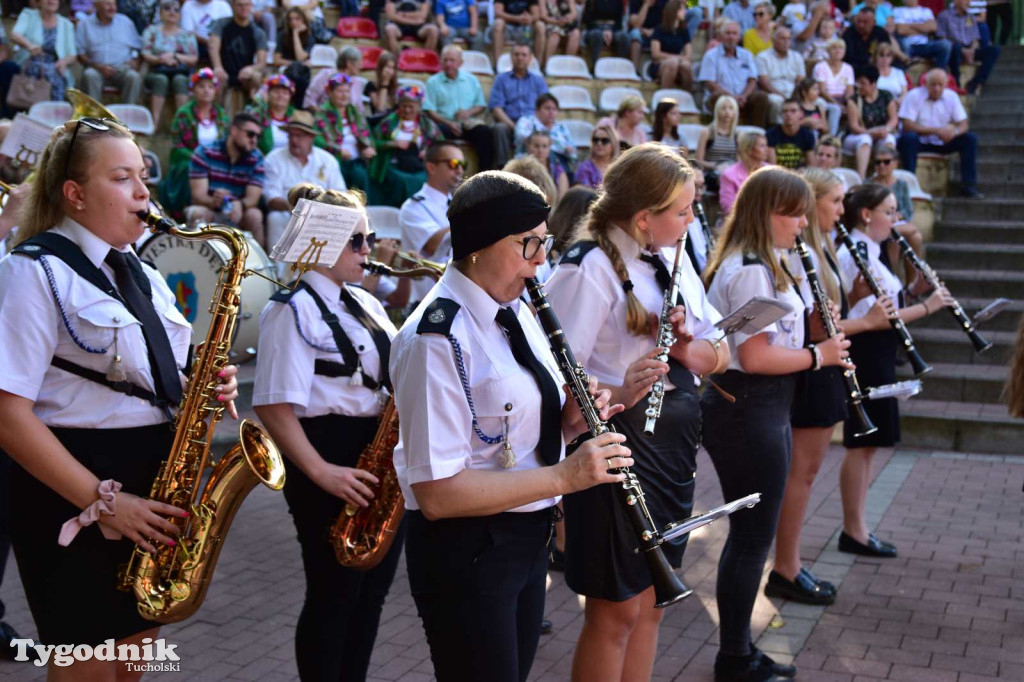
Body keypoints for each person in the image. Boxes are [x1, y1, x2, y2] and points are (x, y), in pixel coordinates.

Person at [0, 117, 238, 678]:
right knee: (87, 667)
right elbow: (8, 415)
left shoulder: (142, 271)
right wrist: (105, 501)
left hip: (149, 486)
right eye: (122, 177)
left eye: (144, 178)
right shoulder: (31, 272)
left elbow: (160, 370)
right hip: (74, 492)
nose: (142, 193)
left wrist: (205, 379)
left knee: (132, 663)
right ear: (75, 195)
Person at [391, 169, 630, 682]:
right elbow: (436, 492)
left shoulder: (516, 310)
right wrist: (566, 477)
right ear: (479, 245)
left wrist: (568, 422)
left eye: (544, 243)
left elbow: (508, 437)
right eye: (529, 245)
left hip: (523, 538)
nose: (541, 260)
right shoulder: (436, 338)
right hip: (468, 552)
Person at [545, 143, 729, 682]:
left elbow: (721, 348)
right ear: (645, 218)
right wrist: (621, 388)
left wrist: (691, 347)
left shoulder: (674, 256)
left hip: (671, 445)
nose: (693, 219)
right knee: (616, 608)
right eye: (683, 210)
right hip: (617, 445)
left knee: (654, 601)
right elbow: (557, 382)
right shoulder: (589, 268)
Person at [702, 166, 851, 682]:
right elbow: (757, 357)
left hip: (766, 405)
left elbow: (772, 344)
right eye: (793, 211)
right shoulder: (748, 270)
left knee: (753, 535)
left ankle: (740, 650)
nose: (802, 221)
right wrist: (820, 353)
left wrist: (811, 330)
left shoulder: (772, 264)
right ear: (766, 213)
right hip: (748, 406)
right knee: (750, 538)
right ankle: (734, 657)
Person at [253, 184, 402, 682]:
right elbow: (273, 406)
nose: (369, 250)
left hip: (372, 453)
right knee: (333, 592)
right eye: (356, 241)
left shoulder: (365, 302)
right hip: (325, 455)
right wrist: (322, 473)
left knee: (371, 595)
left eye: (370, 238)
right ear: (320, 243)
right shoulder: (289, 309)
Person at [768, 167, 893, 607]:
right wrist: (867, 321)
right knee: (799, 473)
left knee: (806, 472)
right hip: (813, 367)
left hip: (825, 365)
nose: (842, 211)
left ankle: (791, 561)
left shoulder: (820, 248)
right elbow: (812, 326)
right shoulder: (805, 251)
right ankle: (786, 566)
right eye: (835, 201)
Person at [835, 183, 952, 561]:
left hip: (881, 351)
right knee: (861, 444)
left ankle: (859, 526)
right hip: (867, 351)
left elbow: (888, 303)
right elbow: (876, 318)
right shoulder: (853, 251)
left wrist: (916, 290)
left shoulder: (872, 248)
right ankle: (854, 530)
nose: (896, 217)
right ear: (867, 214)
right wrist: (929, 306)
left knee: (869, 448)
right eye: (890, 210)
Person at [264, 111, 346, 248]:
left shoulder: (327, 160)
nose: (294, 140)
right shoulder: (274, 159)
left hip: (322, 215)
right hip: (288, 212)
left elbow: (340, 194)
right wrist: (297, 207)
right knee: (275, 218)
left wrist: (319, 209)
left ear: (311, 137)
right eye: (291, 135)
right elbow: (271, 198)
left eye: (299, 136)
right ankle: (277, 267)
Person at [897, 68, 982, 199]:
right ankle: (909, 183)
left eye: (940, 85)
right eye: (933, 84)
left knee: (970, 139)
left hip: (944, 141)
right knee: (908, 139)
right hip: (920, 141)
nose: (936, 88)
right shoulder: (914, 95)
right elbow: (907, 125)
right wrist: (937, 130)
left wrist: (955, 132)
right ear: (926, 84)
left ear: (946, 85)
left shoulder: (951, 97)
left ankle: (968, 185)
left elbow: (964, 124)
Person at [399, 140, 465, 306]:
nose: (460, 170)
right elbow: (432, 245)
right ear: (431, 167)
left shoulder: (460, 204)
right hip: (428, 302)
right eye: (453, 164)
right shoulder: (413, 207)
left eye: (463, 164)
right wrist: (470, 217)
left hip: (459, 297)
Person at [186, 112, 266, 242]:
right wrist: (214, 201)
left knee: (255, 215)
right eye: (250, 134)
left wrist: (240, 205)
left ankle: (259, 261)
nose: (254, 140)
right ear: (234, 131)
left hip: (239, 212)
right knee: (198, 213)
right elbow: (198, 196)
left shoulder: (256, 158)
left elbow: (253, 198)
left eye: (258, 136)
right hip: (209, 208)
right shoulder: (205, 153)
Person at [162, 67, 230, 218]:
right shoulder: (183, 114)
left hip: (215, 161)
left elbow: (226, 142)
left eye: (210, 87)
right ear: (193, 90)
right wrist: (198, 158)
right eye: (202, 86)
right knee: (189, 167)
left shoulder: (221, 114)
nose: (206, 91)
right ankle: (186, 209)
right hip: (190, 159)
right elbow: (177, 145)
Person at [370, 83, 444, 208]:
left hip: (419, 165)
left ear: (419, 106)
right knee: (402, 181)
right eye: (404, 106)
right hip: (393, 165)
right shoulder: (389, 122)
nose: (407, 110)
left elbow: (441, 145)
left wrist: (428, 151)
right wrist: (392, 143)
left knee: (422, 179)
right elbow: (372, 142)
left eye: (411, 106)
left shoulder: (427, 124)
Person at [424, 45, 497, 171]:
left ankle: (485, 175)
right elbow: (429, 110)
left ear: (460, 63)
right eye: (445, 60)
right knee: (438, 132)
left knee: (485, 133)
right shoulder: (433, 82)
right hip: (444, 123)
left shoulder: (471, 80)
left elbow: (480, 105)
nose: (448, 64)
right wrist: (449, 123)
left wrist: (468, 112)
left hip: (467, 123)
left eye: (452, 60)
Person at [698, 20, 771, 128]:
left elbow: (752, 80)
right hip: (722, 97)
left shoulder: (747, 55)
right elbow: (710, 84)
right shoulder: (711, 56)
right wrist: (731, 97)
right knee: (717, 97)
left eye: (734, 33)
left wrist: (744, 96)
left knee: (761, 97)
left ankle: (756, 133)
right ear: (721, 36)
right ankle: (721, 133)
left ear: (739, 37)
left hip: (743, 98)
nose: (731, 37)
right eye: (727, 33)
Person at [141, 0, 198, 132]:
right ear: (160, 13)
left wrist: (175, 56)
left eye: (176, 10)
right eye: (167, 9)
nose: (172, 12)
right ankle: (154, 124)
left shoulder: (187, 34)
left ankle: (182, 125)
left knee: (180, 80)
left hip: (180, 71)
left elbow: (194, 58)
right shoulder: (152, 31)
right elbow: (145, 53)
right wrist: (161, 60)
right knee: (161, 80)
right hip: (156, 71)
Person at [489, 42, 549, 166]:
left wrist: (531, 126)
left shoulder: (539, 81)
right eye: (516, 54)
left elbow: (545, 106)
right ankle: (503, 168)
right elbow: (496, 108)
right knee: (499, 128)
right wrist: (515, 127)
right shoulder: (501, 79)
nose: (520, 58)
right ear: (511, 57)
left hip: (533, 125)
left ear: (530, 58)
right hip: (509, 123)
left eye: (523, 55)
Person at [315, 72, 376, 192]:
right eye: (339, 91)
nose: (344, 95)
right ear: (330, 93)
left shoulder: (354, 112)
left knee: (360, 175)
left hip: (356, 161)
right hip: (333, 161)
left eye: (347, 91)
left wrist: (368, 147)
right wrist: (338, 151)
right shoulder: (322, 113)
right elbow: (317, 140)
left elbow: (367, 134)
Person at [10, 0, 77, 104]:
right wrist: (30, 45)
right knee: (45, 72)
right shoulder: (28, 15)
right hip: (31, 61)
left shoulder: (66, 24)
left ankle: (53, 112)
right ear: (39, 2)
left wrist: (64, 61)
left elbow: (72, 54)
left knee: (55, 74)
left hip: (56, 65)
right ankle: (45, 110)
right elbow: (15, 35)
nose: (51, 1)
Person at [76, 0, 143, 104]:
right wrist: (97, 66)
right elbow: (80, 54)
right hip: (96, 68)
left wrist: (135, 60)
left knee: (133, 77)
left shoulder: (125, 22)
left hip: (122, 68)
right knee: (90, 75)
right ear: (96, 6)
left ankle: (128, 115)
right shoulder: (85, 24)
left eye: (114, 4)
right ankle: (94, 118)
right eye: (107, 4)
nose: (112, 8)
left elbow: (137, 47)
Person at [869, 144, 925, 258]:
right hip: (876, 224)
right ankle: (893, 274)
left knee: (915, 237)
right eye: (878, 162)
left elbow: (908, 211)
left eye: (886, 162)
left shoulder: (901, 185)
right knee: (898, 236)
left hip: (897, 223)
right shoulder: (868, 185)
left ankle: (914, 276)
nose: (882, 165)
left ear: (895, 163)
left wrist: (898, 216)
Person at [843, 64, 897, 179]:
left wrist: (886, 130)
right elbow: (854, 126)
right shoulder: (853, 100)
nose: (859, 86)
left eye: (863, 83)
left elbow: (893, 119)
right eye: (858, 82)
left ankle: (885, 176)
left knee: (889, 139)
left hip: (880, 132)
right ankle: (861, 178)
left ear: (873, 84)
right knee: (865, 140)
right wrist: (870, 133)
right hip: (857, 135)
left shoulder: (886, 96)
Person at [938, 0, 1001, 94]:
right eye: (966, 0)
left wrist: (972, 50)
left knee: (994, 50)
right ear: (956, 2)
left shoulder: (970, 17)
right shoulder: (944, 15)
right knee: (955, 48)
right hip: (955, 49)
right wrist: (963, 50)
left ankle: (976, 82)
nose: (969, 3)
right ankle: (956, 81)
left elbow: (975, 38)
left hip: (970, 49)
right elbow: (942, 38)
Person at [209, 0, 267, 100]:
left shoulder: (258, 32)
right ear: (233, 6)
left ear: (251, 6)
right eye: (239, 5)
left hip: (244, 74)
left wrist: (251, 69)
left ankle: (254, 111)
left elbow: (261, 63)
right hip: (224, 71)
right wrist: (218, 67)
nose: (243, 7)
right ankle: (216, 113)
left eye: (247, 5)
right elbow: (213, 47)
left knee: (256, 77)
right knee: (217, 78)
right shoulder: (221, 24)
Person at [756, 25, 807, 124]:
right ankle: (778, 128)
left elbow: (801, 80)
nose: (786, 42)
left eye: (788, 39)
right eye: (782, 38)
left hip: (793, 93)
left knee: (819, 102)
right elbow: (764, 83)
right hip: (773, 93)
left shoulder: (797, 57)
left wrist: (794, 96)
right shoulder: (762, 57)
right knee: (777, 101)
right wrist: (782, 96)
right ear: (773, 40)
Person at [514, 92, 576, 169]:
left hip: (560, 162)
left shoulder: (562, 127)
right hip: (529, 162)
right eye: (547, 108)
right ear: (537, 110)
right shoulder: (526, 121)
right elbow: (524, 139)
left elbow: (572, 151)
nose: (551, 112)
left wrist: (569, 150)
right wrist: (561, 147)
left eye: (554, 109)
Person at [306, 46, 368, 114]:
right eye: (359, 63)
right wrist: (323, 115)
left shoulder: (357, 82)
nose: (361, 67)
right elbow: (309, 100)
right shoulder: (326, 74)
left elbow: (360, 110)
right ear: (349, 64)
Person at [647, 0, 694, 89]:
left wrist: (677, 59)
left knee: (686, 66)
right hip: (660, 64)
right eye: (682, 9)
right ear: (674, 11)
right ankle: (665, 97)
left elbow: (688, 55)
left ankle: (687, 97)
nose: (685, 12)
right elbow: (656, 54)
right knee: (672, 63)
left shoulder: (684, 31)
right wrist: (677, 58)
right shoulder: (659, 30)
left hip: (677, 62)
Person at [248, 73, 297, 156]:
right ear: (268, 94)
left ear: (290, 97)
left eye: (285, 93)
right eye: (276, 92)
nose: (280, 96)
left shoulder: (297, 116)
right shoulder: (257, 115)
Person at [719, 130, 768, 213]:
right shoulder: (729, 175)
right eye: (762, 146)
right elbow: (727, 206)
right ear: (749, 149)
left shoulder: (773, 170)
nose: (766, 149)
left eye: (766, 145)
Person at [893, 0, 951, 69]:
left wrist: (910, 26)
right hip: (908, 46)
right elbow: (901, 30)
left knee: (945, 44)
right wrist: (923, 28)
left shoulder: (926, 11)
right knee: (904, 42)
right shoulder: (897, 10)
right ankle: (904, 73)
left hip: (925, 46)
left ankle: (940, 72)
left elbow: (933, 27)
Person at [695, 94, 739, 183]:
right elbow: (698, 161)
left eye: (731, 108)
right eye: (723, 108)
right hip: (711, 172)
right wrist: (716, 166)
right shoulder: (707, 132)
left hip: (731, 171)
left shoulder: (737, 135)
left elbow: (739, 160)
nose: (727, 112)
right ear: (717, 111)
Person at [766, 99, 815, 169]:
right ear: (781, 114)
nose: (788, 114)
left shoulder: (807, 135)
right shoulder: (771, 134)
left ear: (801, 113)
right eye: (785, 111)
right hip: (778, 176)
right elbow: (772, 166)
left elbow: (811, 165)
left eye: (793, 111)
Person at [490, 0, 543, 64]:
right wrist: (517, 18)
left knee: (540, 26)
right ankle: (497, 64)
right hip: (507, 28)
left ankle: (538, 65)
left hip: (525, 28)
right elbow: (498, 13)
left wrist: (530, 18)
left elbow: (536, 15)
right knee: (498, 23)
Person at [581, 0, 630, 67]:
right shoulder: (591, 1)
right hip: (594, 28)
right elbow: (587, 20)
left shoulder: (618, 1)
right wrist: (602, 31)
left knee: (623, 36)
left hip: (613, 28)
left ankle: (620, 67)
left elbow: (619, 22)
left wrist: (611, 31)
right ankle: (596, 67)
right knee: (597, 34)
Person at [525, 130, 568, 201]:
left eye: (544, 146)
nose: (540, 150)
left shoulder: (557, 170)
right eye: (536, 146)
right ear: (528, 146)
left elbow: (562, 200)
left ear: (549, 148)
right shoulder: (520, 167)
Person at [573, 122, 618, 188]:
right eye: (595, 140)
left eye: (604, 140)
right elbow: (583, 195)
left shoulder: (619, 168)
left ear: (613, 144)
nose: (599, 143)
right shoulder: (584, 169)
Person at [536, 0, 579, 67]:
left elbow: (574, 13)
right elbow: (543, 16)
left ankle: (568, 66)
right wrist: (556, 21)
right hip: (551, 23)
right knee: (555, 34)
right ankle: (547, 65)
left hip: (565, 24)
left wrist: (567, 18)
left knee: (576, 33)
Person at [812, 38, 853, 107]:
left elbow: (849, 90)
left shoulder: (848, 68)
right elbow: (822, 91)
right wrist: (837, 104)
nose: (838, 51)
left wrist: (847, 103)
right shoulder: (821, 67)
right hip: (825, 99)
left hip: (843, 100)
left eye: (841, 48)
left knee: (852, 106)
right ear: (828, 51)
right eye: (834, 48)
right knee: (836, 109)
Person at [366, 51, 399, 120]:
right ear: (381, 69)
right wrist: (385, 83)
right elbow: (380, 109)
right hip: (378, 122)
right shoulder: (371, 85)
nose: (390, 71)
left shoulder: (396, 86)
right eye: (387, 67)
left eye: (392, 68)